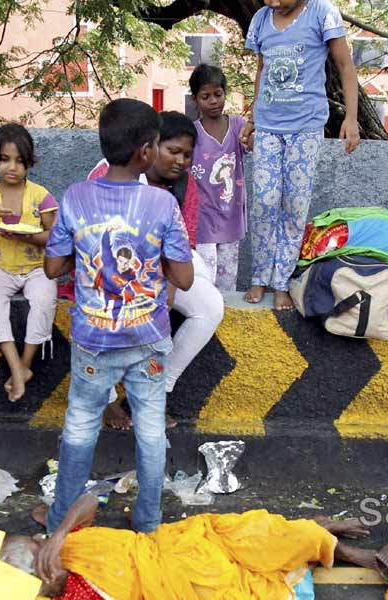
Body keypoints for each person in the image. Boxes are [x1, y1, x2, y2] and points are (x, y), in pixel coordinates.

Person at [43, 98, 194, 535]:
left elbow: (54, 269)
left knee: (80, 426)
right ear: (146, 151)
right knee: (150, 431)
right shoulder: (162, 205)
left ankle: (61, 525)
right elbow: (183, 279)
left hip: (94, 339)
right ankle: (147, 524)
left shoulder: (75, 197)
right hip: (147, 338)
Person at [0, 492, 379, 599]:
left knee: (260, 532)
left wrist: (58, 535)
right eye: (35, 574)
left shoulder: (68, 542)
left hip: (192, 537)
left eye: (36, 546)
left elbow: (92, 498)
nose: (41, 551)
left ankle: (325, 536)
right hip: (190, 580)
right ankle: (327, 543)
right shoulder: (73, 592)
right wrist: (57, 579)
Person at [87, 111, 224, 431]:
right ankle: (105, 400)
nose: (180, 161)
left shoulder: (185, 185)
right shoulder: (114, 172)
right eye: (172, 151)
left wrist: (168, 292)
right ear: (149, 146)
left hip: (163, 269)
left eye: (187, 155)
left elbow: (184, 243)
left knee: (210, 306)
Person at [241, 0, 361, 310]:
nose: (273, 2)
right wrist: (253, 118)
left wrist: (351, 117)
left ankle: (282, 282)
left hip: (306, 127)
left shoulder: (323, 14)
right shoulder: (261, 19)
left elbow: (345, 65)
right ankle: (260, 276)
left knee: (295, 206)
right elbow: (261, 70)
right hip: (268, 126)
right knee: (264, 203)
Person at [0, 124, 58, 401]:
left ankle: (26, 363)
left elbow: (55, 236)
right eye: (5, 159)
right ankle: (16, 367)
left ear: (29, 162)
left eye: (19, 161)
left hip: (37, 268)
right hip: (1, 269)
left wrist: (30, 237)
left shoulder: (40, 194)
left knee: (44, 301)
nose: (12, 167)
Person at [189, 63, 251, 293]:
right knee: (204, 277)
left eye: (218, 94)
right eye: (206, 96)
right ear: (195, 99)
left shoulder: (238, 126)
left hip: (231, 215)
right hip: (202, 218)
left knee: (227, 280)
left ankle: (225, 323)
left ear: (225, 93)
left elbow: (253, 144)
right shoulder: (192, 133)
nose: (214, 101)